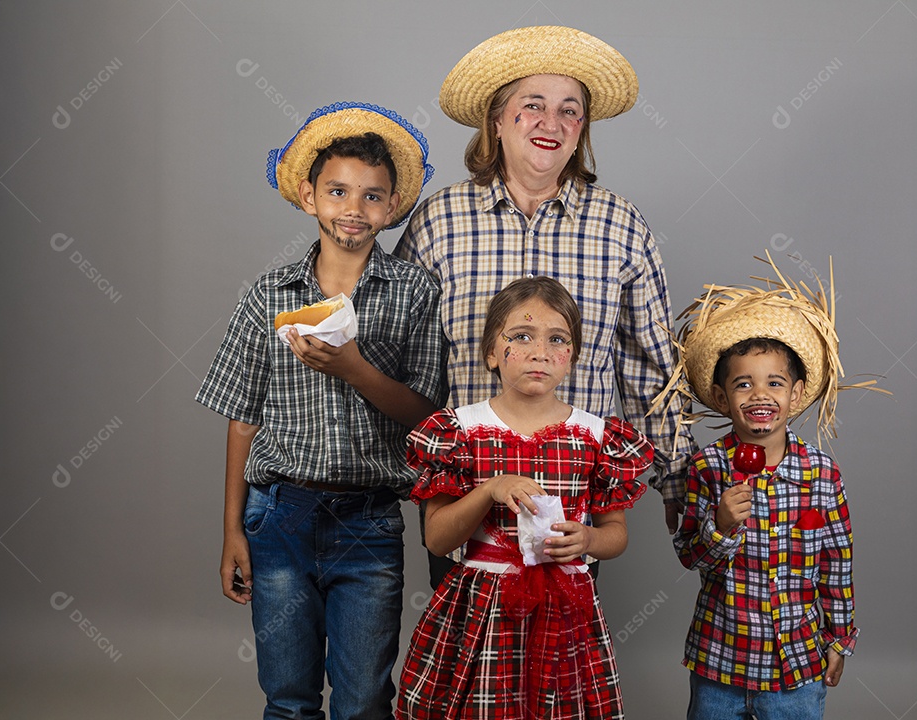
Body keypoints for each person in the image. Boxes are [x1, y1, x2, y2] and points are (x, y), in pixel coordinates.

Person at [395, 25, 696, 589]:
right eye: (532, 105)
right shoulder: (440, 220)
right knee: (470, 654)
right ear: (497, 119)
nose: (551, 124)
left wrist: (678, 484)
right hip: (467, 491)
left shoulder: (621, 226)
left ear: (582, 128)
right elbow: (409, 359)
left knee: (558, 653)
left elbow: (649, 368)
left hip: (578, 493)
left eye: (570, 110)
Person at [195, 101, 445, 719]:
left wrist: (354, 367)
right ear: (309, 197)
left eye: (371, 196)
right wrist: (232, 531)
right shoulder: (268, 294)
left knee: (363, 701)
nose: (353, 210)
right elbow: (242, 416)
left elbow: (426, 414)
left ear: (391, 209)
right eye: (337, 191)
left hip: (369, 521)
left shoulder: (414, 291)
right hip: (278, 516)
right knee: (288, 698)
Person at [397, 276, 653, 720]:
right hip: (482, 605)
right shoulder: (458, 431)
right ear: (492, 354)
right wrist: (490, 489)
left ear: (571, 357)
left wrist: (589, 542)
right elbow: (437, 540)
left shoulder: (597, 437)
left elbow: (615, 535)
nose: (540, 352)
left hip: (566, 609)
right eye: (521, 336)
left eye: (557, 339)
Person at [657, 256, 874, 719]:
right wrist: (720, 525)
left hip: (796, 665)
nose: (759, 395)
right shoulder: (707, 468)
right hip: (721, 663)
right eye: (743, 384)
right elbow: (690, 556)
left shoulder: (822, 475)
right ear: (721, 398)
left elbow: (837, 564)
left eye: (775, 383)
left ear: (796, 396)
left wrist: (839, 638)